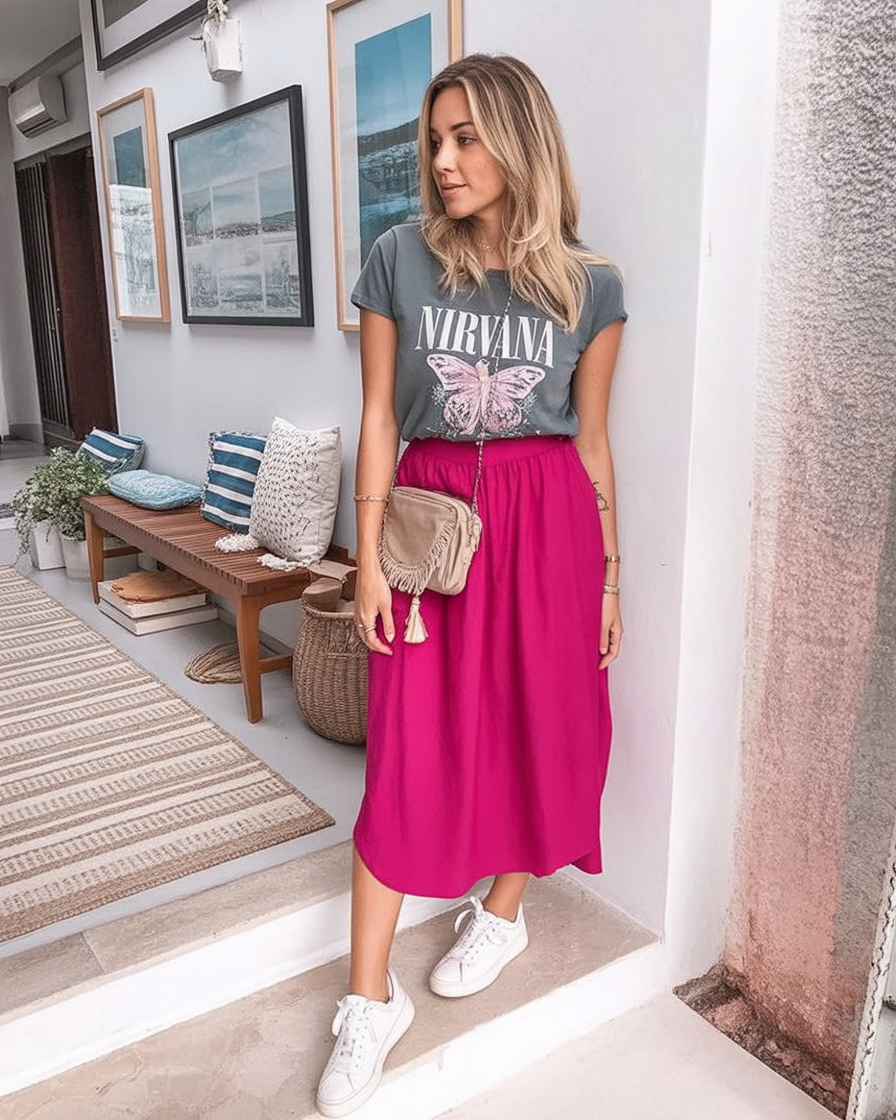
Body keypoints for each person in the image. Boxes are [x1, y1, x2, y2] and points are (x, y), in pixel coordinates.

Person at [315, 53, 626, 1118]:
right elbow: (376, 416)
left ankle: (502, 909)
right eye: (434, 141)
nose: (443, 161)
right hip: (431, 522)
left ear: (518, 143)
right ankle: (369, 998)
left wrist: (609, 579)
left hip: (549, 528)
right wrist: (363, 559)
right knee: (407, 747)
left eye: (465, 138)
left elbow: (591, 444)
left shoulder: (591, 285)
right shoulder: (398, 258)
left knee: (545, 720)